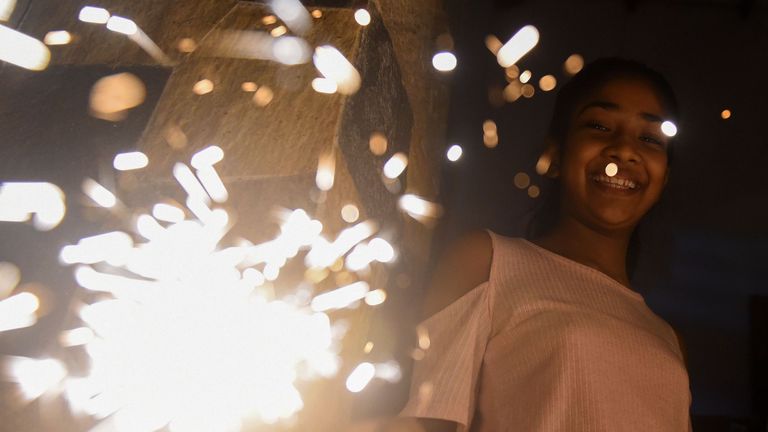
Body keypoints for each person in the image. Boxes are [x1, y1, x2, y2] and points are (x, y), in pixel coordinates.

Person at [384, 58, 691, 432]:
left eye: (650, 139)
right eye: (599, 126)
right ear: (555, 155)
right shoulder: (488, 263)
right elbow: (426, 422)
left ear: (665, 176)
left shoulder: (667, 338)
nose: (624, 150)